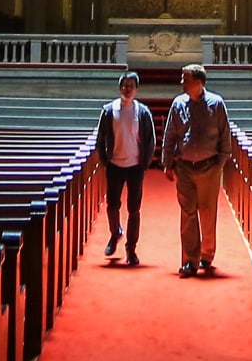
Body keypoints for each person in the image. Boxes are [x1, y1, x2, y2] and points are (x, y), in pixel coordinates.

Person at [159, 62, 232, 277]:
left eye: (186, 79)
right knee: (188, 213)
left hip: (209, 166)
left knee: (207, 213)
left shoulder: (216, 104)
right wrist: (168, 162)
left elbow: (224, 134)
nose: (182, 82)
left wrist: (221, 162)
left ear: (198, 83)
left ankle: (206, 254)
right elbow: (170, 134)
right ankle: (189, 260)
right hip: (185, 167)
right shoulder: (178, 104)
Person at [95, 71, 154, 266]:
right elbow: (101, 137)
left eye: (131, 86)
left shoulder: (143, 112)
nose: (127, 89)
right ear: (120, 87)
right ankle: (115, 233)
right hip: (115, 165)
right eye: (125, 85)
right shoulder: (109, 110)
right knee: (112, 205)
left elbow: (149, 139)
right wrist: (104, 160)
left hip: (135, 166)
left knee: (134, 209)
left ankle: (131, 249)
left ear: (136, 89)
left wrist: (145, 162)